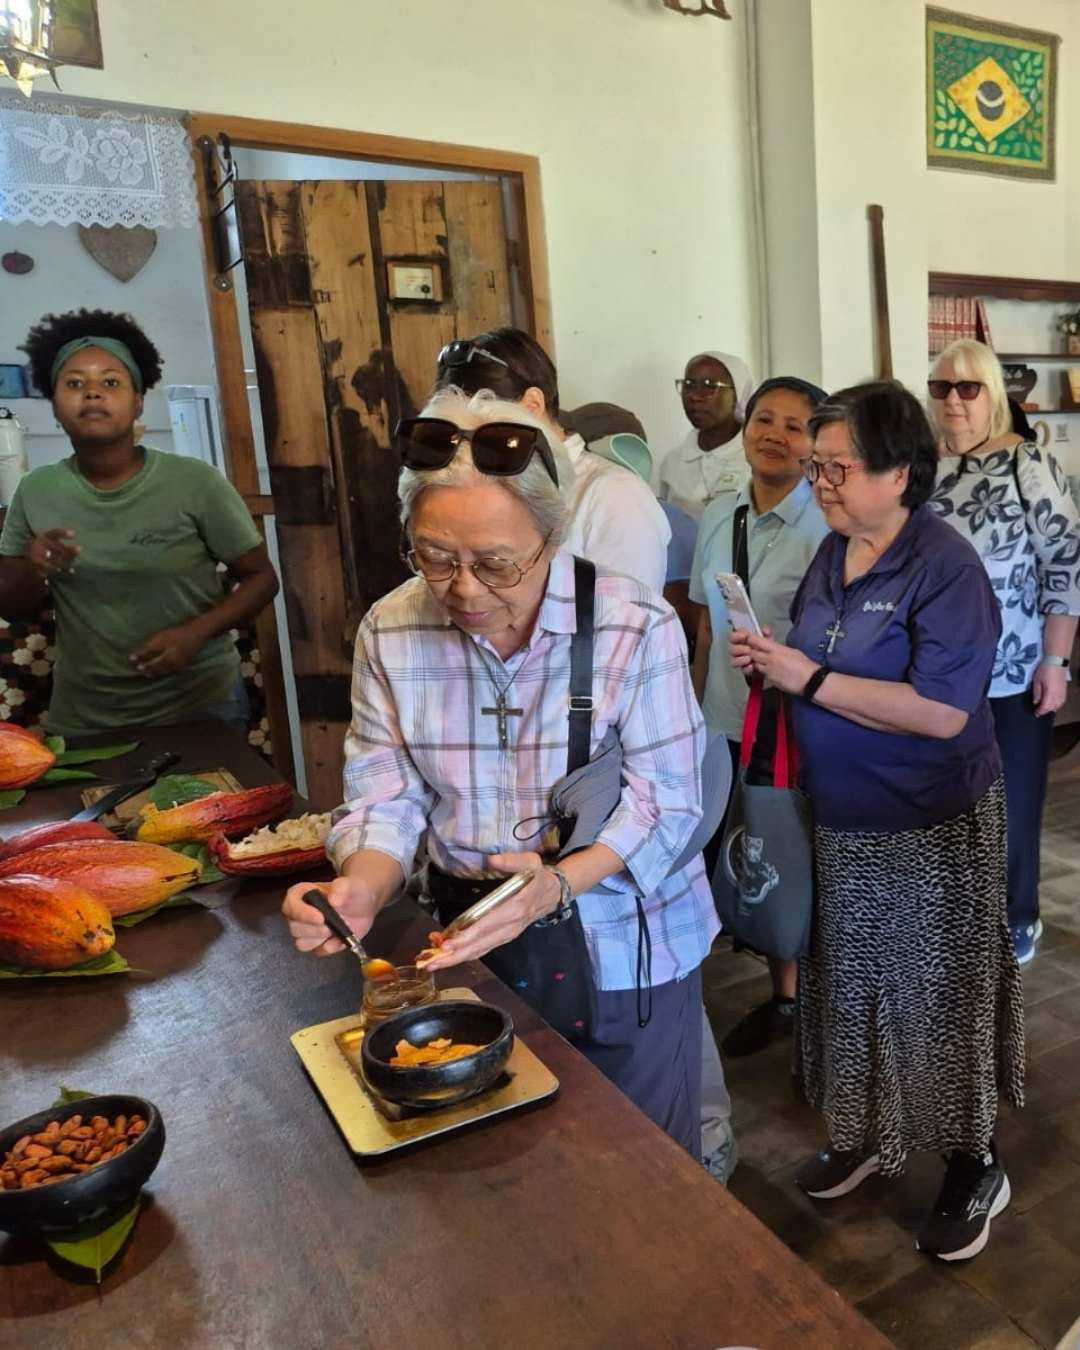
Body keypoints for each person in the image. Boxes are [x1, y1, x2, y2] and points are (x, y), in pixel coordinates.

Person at [282, 387, 718, 1156]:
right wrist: (363, 887)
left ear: (551, 534)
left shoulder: (633, 625)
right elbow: (386, 793)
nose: (464, 589)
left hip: (624, 948)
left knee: (645, 1164)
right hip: (468, 949)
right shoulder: (392, 628)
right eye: (435, 557)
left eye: (495, 563)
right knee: (512, 1159)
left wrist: (555, 884)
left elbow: (668, 803)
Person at [732, 381, 1023, 1263]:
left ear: (900, 473)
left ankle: (974, 1162)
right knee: (851, 986)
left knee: (938, 996)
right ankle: (867, 1134)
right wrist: (771, 662)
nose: (819, 482)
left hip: (929, 820)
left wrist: (810, 681)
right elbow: (815, 653)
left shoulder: (945, 567)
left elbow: (942, 712)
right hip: (840, 814)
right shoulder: (835, 551)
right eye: (816, 466)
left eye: (838, 468)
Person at [433, 330, 735, 1177]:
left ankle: (703, 1148)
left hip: (599, 828)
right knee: (560, 1128)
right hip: (525, 878)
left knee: (650, 1106)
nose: (468, 584)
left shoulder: (615, 507)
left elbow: (601, 683)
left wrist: (558, 866)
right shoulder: (405, 616)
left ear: (530, 409)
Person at [0, 309, 278, 738]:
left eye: (111, 382)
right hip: (86, 717)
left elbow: (262, 578)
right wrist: (33, 569)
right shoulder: (36, 490)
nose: (93, 393)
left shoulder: (195, 482)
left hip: (199, 706)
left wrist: (193, 634)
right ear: (54, 406)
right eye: (74, 384)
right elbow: (13, 607)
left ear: (138, 401)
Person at [928, 339, 1080, 965]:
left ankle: (1017, 915)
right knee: (942, 801)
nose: (954, 401)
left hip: (1012, 668)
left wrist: (1056, 662)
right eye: (942, 387)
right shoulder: (922, 467)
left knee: (1011, 800)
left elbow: (1064, 565)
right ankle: (953, 914)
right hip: (933, 674)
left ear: (993, 395)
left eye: (969, 388)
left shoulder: (1027, 464)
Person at [689, 376, 828, 1056]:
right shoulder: (720, 513)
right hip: (724, 718)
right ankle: (784, 997)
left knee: (801, 857)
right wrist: (692, 710)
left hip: (798, 727)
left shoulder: (827, 525)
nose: (774, 434)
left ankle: (820, 1001)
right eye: (763, 419)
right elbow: (705, 626)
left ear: (817, 444)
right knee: (753, 851)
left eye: (794, 426)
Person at [435, 330, 670, 594]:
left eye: (482, 422)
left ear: (532, 404)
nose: (467, 444)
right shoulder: (475, 487)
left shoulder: (615, 494)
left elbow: (630, 612)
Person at [658, 351, 755, 523]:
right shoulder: (672, 463)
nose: (694, 396)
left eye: (709, 385)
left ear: (738, 394)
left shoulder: (757, 459)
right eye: (689, 384)